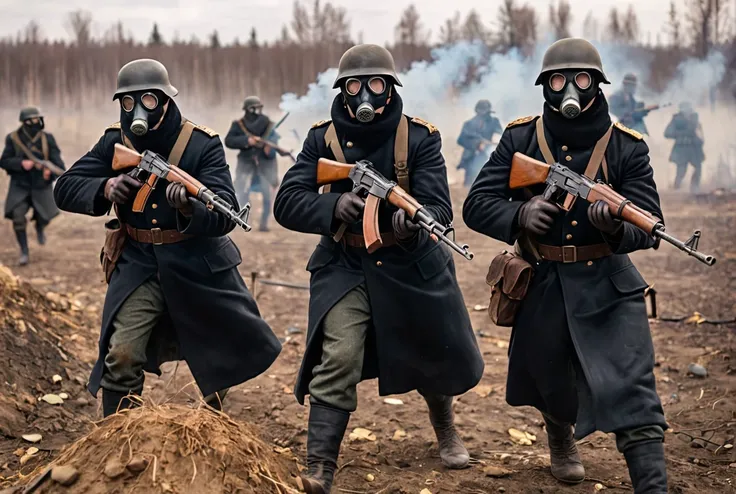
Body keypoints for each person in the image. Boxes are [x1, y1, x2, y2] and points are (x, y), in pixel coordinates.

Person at [274, 44, 484, 494]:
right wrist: (335, 205)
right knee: (340, 354)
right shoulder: (321, 140)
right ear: (343, 91)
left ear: (390, 89)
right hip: (345, 263)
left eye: (376, 84)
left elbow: (440, 208)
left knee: (432, 350)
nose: (366, 93)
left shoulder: (420, 137)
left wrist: (412, 223)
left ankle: (444, 426)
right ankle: (320, 467)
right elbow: (287, 202)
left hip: (410, 263)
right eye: (355, 85)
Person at [463, 38, 668, 493]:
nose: (569, 88)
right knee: (551, 379)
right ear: (545, 86)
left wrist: (615, 230)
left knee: (635, 391)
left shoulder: (627, 148)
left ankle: (652, 485)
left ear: (596, 85)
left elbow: (650, 224)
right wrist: (520, 214)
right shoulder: (520, 139)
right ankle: (560, 437)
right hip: (543, 282)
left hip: (608, 285)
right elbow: (476, 205)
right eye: (559, 79)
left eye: (580, 79)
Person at [53, 59, 281, 417]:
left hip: (197, 262)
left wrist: (191, 209)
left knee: (217, 350)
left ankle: (214, 414)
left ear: (165, 100)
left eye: (147, 100)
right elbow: (65, 187)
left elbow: (225, 212)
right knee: (122, 353)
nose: (137, 110)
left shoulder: (201, 144)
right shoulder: (116, 141)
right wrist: (107, 186)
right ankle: (118, 434)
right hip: (139, 262)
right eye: (128, 102)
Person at [0, 107, 65, 266]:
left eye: (38, 119)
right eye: (33, 120)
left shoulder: (47, 139)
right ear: (26, 122)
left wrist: (49, 173)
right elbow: (4, 161)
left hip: (41, 186)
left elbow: (59, 165)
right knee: (18, 217)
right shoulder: (13, 138)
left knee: (45, 216)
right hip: (20, 186)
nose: (37, 123)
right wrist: (21, 163)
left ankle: (40, 227)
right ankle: (24, 251)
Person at [225, 96, 285, 232]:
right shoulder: (238, 124)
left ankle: (263, 224)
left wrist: (269, 147)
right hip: (246, 163)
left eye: (259, 107)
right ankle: (243, 219)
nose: (257, 110)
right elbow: (229, 141)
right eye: (254, 108)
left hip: (263, 165)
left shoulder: (267, 123)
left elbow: (274, 138)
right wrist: (247, 141)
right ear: (248, 109)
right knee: (242, 192)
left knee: (266, 195)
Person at [456, 99, 502, 187]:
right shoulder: (468, 124)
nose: (484, 116)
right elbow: (461, 139)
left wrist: (493, 140)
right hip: (471, 156)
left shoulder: (494, 122)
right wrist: (477, 143)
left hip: (489, 154)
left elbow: (499, 134)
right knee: (470, 182)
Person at [664, 102, 704, 193]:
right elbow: (667, 133)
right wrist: (682, 134)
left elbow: (700, 132)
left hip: (694, 148)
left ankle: (695, 188)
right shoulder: (676, 119)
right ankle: (676, 189)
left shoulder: (694, 118)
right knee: (681, 171)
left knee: (698, 167)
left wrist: (700, 140)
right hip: (681, 149)